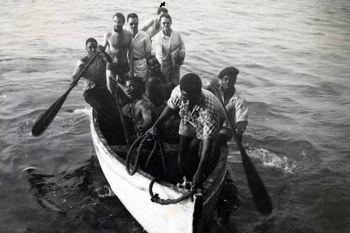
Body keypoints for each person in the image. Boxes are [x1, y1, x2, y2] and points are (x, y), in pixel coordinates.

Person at [149, 73, 225, 188]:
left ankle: (201, 176)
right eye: (185, 99)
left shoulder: (210, 111)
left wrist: (199, 172)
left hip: (207, 118)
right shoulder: (178, 93)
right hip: (189, 116)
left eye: (191, 100)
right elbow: (169, 108)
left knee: (201, 151)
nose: (187, 103)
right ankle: (184, 177)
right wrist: (155, 126)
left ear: (199, 95)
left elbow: (207, 142)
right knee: (182, 148)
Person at [71, 38, 123, 138]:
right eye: (90, 47)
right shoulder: (83, 61)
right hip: (90, 92)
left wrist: (103, 53)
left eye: (95, 47)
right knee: (102, 109)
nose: (93, 50)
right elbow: (75, 75)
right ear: (86, 49)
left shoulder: (101, 58)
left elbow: (110, 61)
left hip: (102, 90)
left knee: (115, 109)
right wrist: (74, 81)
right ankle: (107, 133)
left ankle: (117, 133)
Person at [206, 66, 248, 144]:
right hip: (211, 123)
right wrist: (209, 86)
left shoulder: (239, 99)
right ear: (221, 80)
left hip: (226, 129)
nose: (228, 82)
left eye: (231, 80)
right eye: (225, 79)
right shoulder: (215, 89)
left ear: (235, 80)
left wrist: (239, 133)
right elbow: (203, 92)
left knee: (217, 141)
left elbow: (242, 121)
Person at [102, 12, 134, 96]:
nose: (116, 24)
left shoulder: (128, 35)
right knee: (111, 92)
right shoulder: (108, 35)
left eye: (119, 22)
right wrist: (104, 56)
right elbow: (102, 50)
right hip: (112, 65)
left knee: (129, 89)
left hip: (124, 64)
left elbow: (131, 53)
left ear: (123, 23)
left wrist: (131, 69)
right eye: (115, 21)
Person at [152, 13, 185, 88]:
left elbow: (182, 46)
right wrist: (159, 69)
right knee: (165, 84)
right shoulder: (158, 37)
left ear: (171, 23)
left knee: (176, 83)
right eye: (164, 23)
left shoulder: (177, 34)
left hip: (175, 63)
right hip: (164, 64)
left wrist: (180, 54)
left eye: (168, 23)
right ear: (161, 24)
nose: (166, 25)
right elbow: (158, 54)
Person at [127, 13, 152, 81]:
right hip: (127, 64)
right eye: (131, 24)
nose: (133, 25)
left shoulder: (144, 35)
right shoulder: (125, 35)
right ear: (127, 23)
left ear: (138, 22)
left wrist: (147, 68)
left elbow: (148, 53)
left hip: (140, 64)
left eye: (136, 23)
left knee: (141, 85)